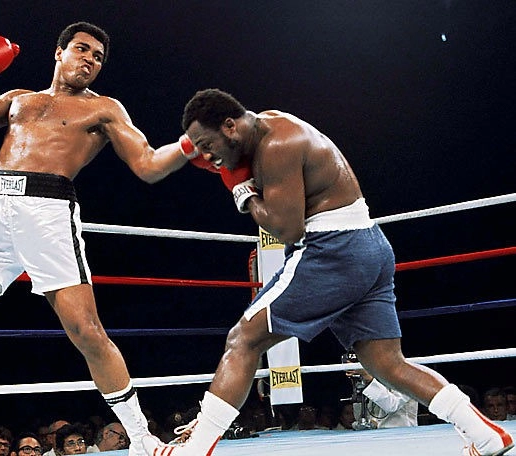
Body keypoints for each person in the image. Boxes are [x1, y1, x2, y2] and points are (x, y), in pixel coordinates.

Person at [142, 88, 514, 456]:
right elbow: (155, 164)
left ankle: (196, 450)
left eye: (208, 145)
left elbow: (288, 230)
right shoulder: (268, 125)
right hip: (369, 246)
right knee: (388, 364)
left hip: (332, 250)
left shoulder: (277, 146)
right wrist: (187, 147)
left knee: (244, 339)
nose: (208, 157)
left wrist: (245, 195)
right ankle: (485, 435)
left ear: (230, 126)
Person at [0, 21, 200, 456]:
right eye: (82, 49)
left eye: (98, 57)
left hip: (48, 213)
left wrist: (188, 146)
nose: (90, 60)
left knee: (86, 330)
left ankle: (141, 438)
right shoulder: (20, 99)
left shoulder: (104, 110)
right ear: (59, 52)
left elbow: (147, 165)